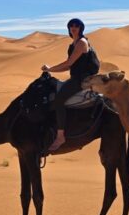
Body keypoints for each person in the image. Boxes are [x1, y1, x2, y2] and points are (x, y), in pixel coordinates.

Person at [42, 18, 100, 152]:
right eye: (71, 25)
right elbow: (69, 67)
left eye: (77, 25)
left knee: (59, 100)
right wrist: (51, 71)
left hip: (82, 80)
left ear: (81, 28)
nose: (74, 27)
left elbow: (68, 63)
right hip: (75, 78)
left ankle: (60, 136)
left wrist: (50, 69)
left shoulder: (82, 43)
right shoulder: (72, 45)